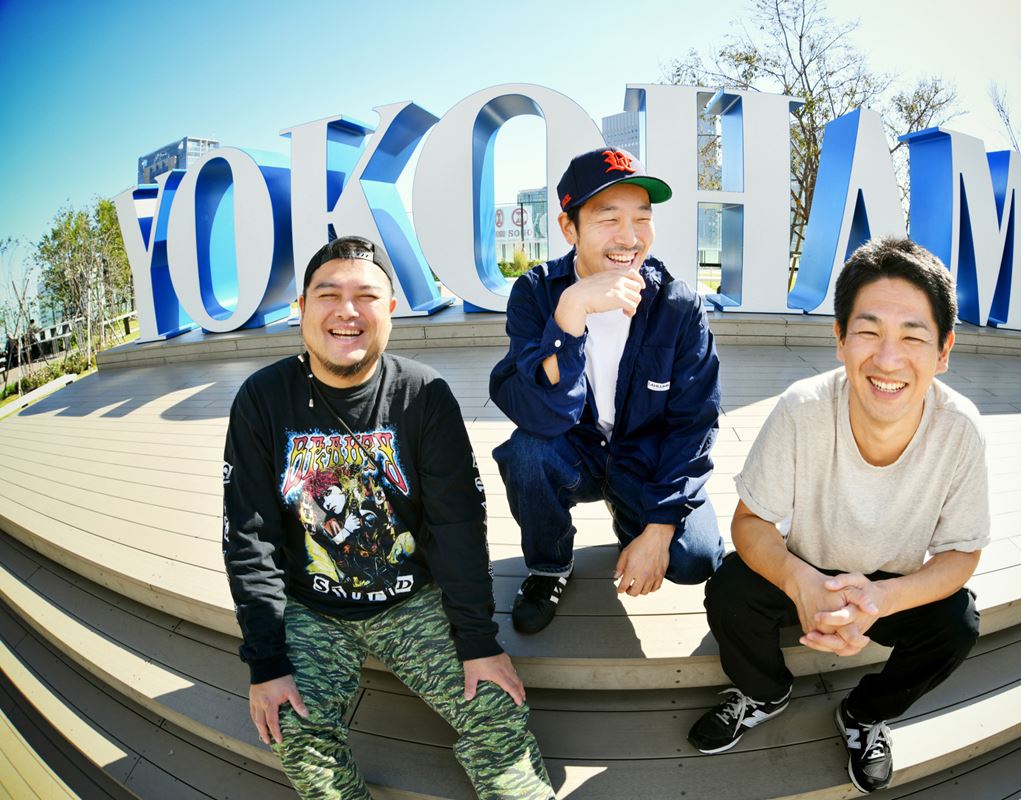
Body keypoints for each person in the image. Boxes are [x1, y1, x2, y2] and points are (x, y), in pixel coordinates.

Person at [223, 236, 554, 800]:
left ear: (391, 310)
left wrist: (477, 639)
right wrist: (267, 661)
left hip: (413, 601)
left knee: (496, 709)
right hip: (313, 609)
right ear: (301, 309)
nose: (347, 311)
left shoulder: (423, 395)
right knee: (294, 727)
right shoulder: (262, 399)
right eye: (328, 295)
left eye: (366, 296)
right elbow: (250, 539)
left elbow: (457, 525)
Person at [687, 238, 989, 794]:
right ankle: (764, 692)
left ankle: (864, 714)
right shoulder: (802, 408)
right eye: (869, 332)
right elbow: (750, 523)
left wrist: (882, 599)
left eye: (913, 337)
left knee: (957, 624)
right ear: (840, 339)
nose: (889, 360)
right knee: (729, 589)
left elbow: (962, 551)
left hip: (892, 583)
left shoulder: (960, 429)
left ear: (944, 350)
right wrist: (801, 582)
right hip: (806, 565)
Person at [489, 147, 725, 634]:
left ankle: (632, 516)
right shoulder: (536, 293)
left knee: (694, 559)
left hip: (647, 459)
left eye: (642, 217)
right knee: (527, 455)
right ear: (569, 228)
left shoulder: (678, 305)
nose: (630, 237)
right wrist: (570, 312)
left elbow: (695, 424)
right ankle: (550, 566)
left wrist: (657, 529)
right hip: (573, 450)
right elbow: (542, 415)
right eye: (609, 218)